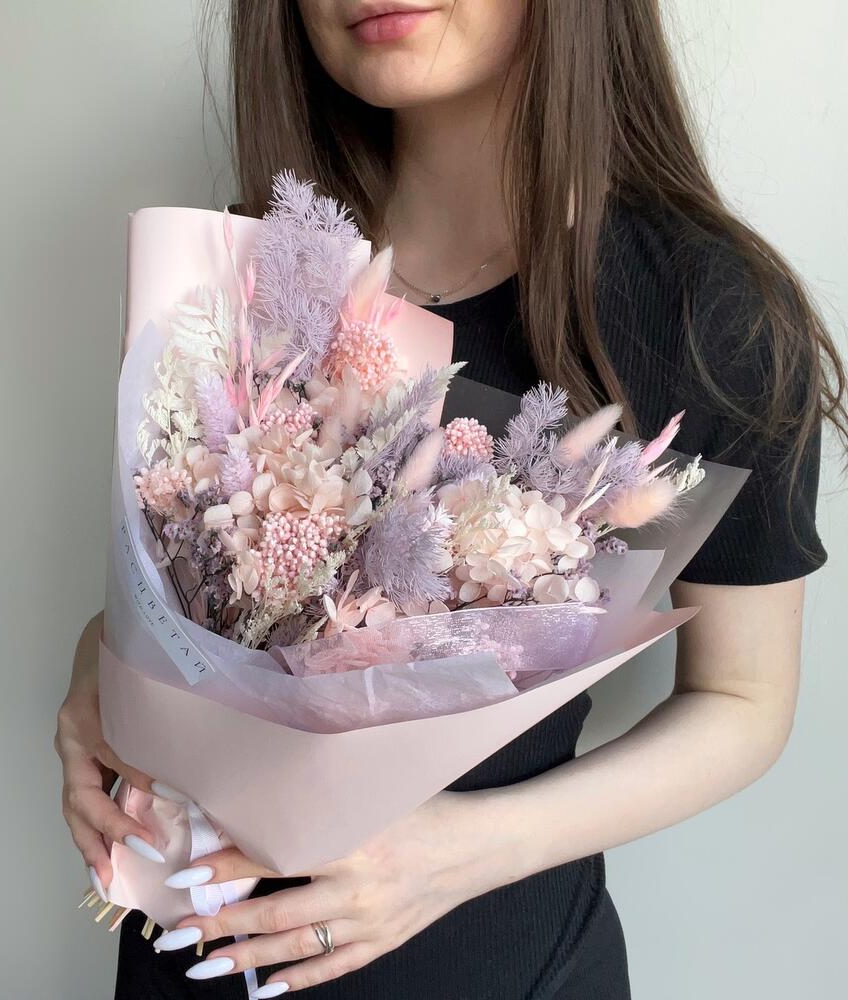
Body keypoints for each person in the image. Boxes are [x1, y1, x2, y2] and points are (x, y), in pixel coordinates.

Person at [55, 2, 846, 997]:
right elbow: (186, 593)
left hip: (492, 961)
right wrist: (97, 683)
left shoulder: (698, 307)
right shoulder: (254, 267)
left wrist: (454, 854)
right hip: (190, 954)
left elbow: (742, 700)